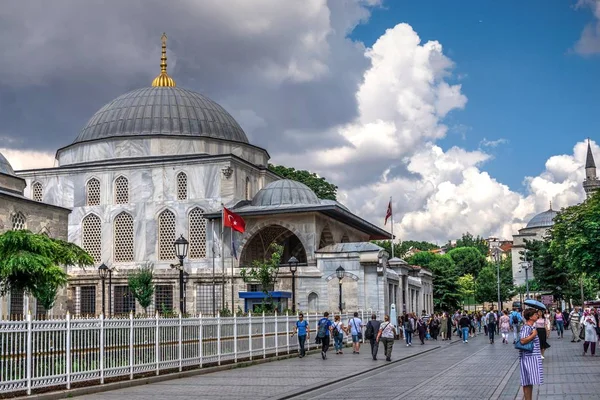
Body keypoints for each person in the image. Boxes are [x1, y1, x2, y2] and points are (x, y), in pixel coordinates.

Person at [519, 308, 543, 400]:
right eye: (535, 314)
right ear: (530, 317)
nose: (537, 315)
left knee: (529, 382)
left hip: (531, 357)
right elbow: (522, 340)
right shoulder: (527, 327)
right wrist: (533, 335)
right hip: (529, 358)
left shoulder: (532, 327)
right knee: (527, 381)